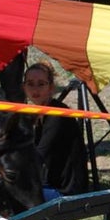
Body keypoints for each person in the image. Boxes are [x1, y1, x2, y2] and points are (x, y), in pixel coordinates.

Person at [22, 62, 88, 199]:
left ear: (51, 88)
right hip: (49, 184)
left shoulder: (57, 114)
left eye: (41, 84)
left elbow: (38, 156)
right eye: (30, 83)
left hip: (66, 192)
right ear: (24, 87)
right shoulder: (36, 113)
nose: (35, 89)